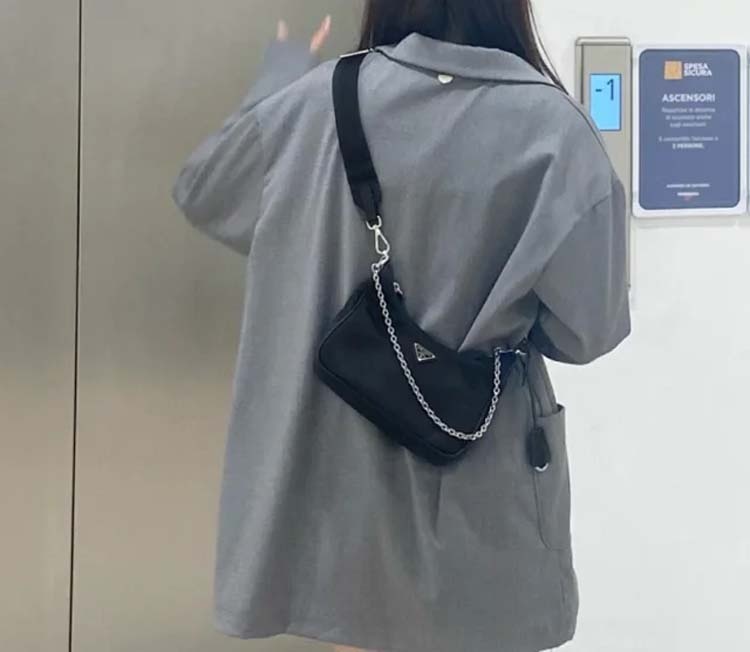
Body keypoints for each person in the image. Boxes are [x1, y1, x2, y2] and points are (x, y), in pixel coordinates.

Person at [171, 2, 631, 651]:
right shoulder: (557, 131)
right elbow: (589, 331)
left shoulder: (316, 106)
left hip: (335, 522)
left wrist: (281, 74)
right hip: (483, 515)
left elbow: (206, 189)